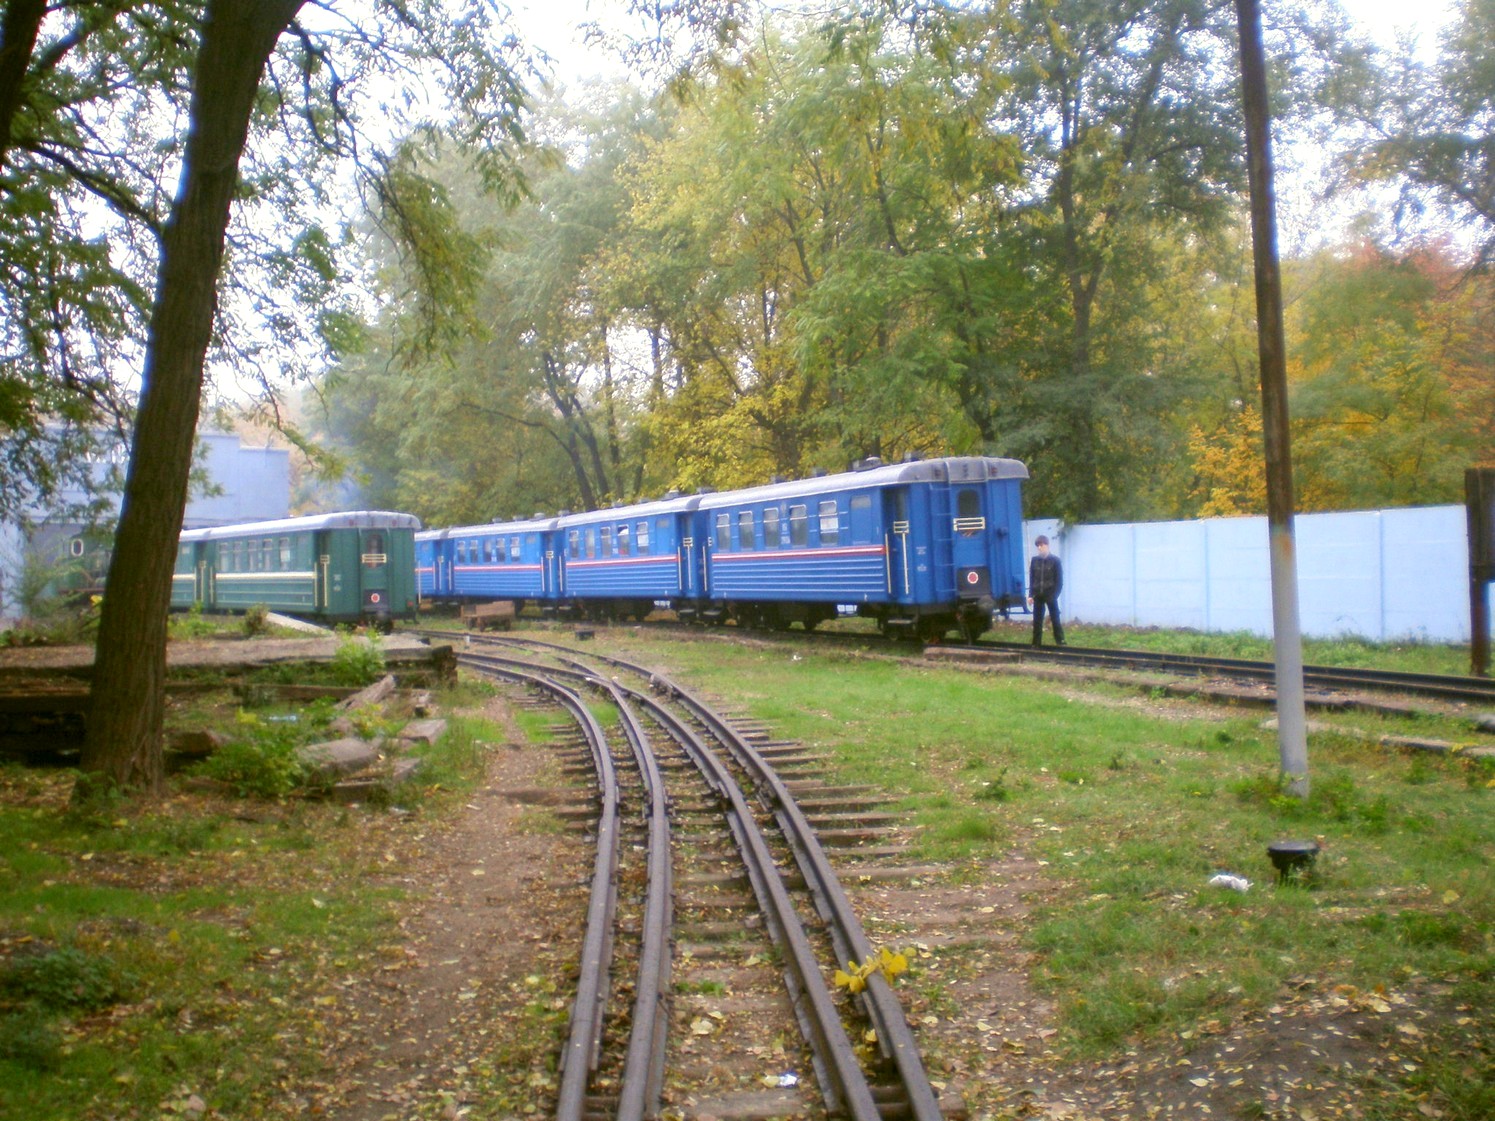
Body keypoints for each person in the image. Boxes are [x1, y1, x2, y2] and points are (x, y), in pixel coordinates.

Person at [1027, 535, 1065, 646]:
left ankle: (1060, 641)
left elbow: (1059, 581)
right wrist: (1030, 595)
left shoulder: (1055, 561)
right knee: (1037, 620)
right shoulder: (1034, 561)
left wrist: (1054, 595)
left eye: (1041, 545)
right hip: (1038, 594)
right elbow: (1032, 579)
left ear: (1047, 545)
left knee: (1055, 618)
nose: (1039, 548)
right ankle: (1036, 643)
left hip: (1050, 594)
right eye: (1037, 546)